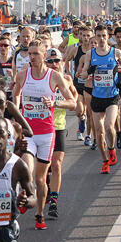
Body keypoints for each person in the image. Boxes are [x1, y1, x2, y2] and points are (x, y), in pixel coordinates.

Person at [13, 39, 75, 230]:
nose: (31, 57)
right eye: (29, 54)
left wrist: (55, 103)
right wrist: (17, 116)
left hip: (47, 134)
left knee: (41, 179)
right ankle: (25, 195)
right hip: (29, 133)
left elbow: (72, 102)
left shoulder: (55, 77)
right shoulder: (23, 75)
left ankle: (39, 213)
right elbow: (15, 95)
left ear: (44, 55)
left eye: (35, 54)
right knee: (26, 168)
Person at [79, 24, 121, 174]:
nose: (101, 39)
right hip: (97, 97)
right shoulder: (90, 54)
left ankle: (112, 148)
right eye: (99, 36)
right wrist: (86, 73)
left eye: (104, 36)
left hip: (112, 96)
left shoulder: (116, 52)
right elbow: (83, 73)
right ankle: (105, 160)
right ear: (95, 37)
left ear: (108, 37)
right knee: (99, 132)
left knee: (108, 126)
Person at [45, 48, 78, 219]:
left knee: (56, 164)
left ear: (62, 63)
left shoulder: (66, 79)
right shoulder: (40, 79)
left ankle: (54, 202)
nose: (54, 64)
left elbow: (74, 102)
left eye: (57, 61)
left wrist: (57, 103)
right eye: (50, 62)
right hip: (41, 127)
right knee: (43, 167)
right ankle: (45, 186)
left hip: (58, 126)